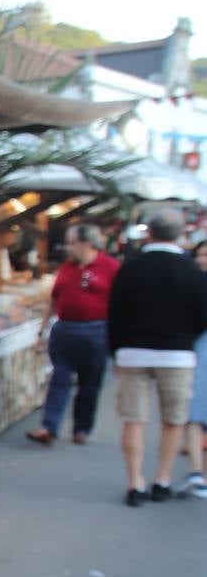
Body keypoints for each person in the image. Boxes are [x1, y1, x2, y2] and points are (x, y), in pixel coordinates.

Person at [106, 212, 207, 506]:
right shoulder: (191, 272)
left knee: (133, 419)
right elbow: (203, 316)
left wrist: (116, 352)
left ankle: (135, 482)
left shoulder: (130, 268)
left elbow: (115, 313)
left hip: (133, 352)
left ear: (148, 232)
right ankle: (162, 479)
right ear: (179, 235)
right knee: (174, 420)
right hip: (177, 354)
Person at [27, 224, 120, 445]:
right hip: (65, 329)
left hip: (96, 330)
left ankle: (82, 427)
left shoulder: (110, 267)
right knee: (59, 378)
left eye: (72, 243)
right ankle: (49, 426)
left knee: (89, 384)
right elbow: (54, 299)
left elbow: (121, 302)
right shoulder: (67, 268)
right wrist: (42, 329)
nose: (67, 248)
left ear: (86, 243)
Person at [175, 241, 207, 498]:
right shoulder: (190, 281)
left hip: (197, 349)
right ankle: (197, 472)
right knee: (193, 412)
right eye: (201, 254)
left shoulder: (190, 283)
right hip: (195, 351)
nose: (203, 259)